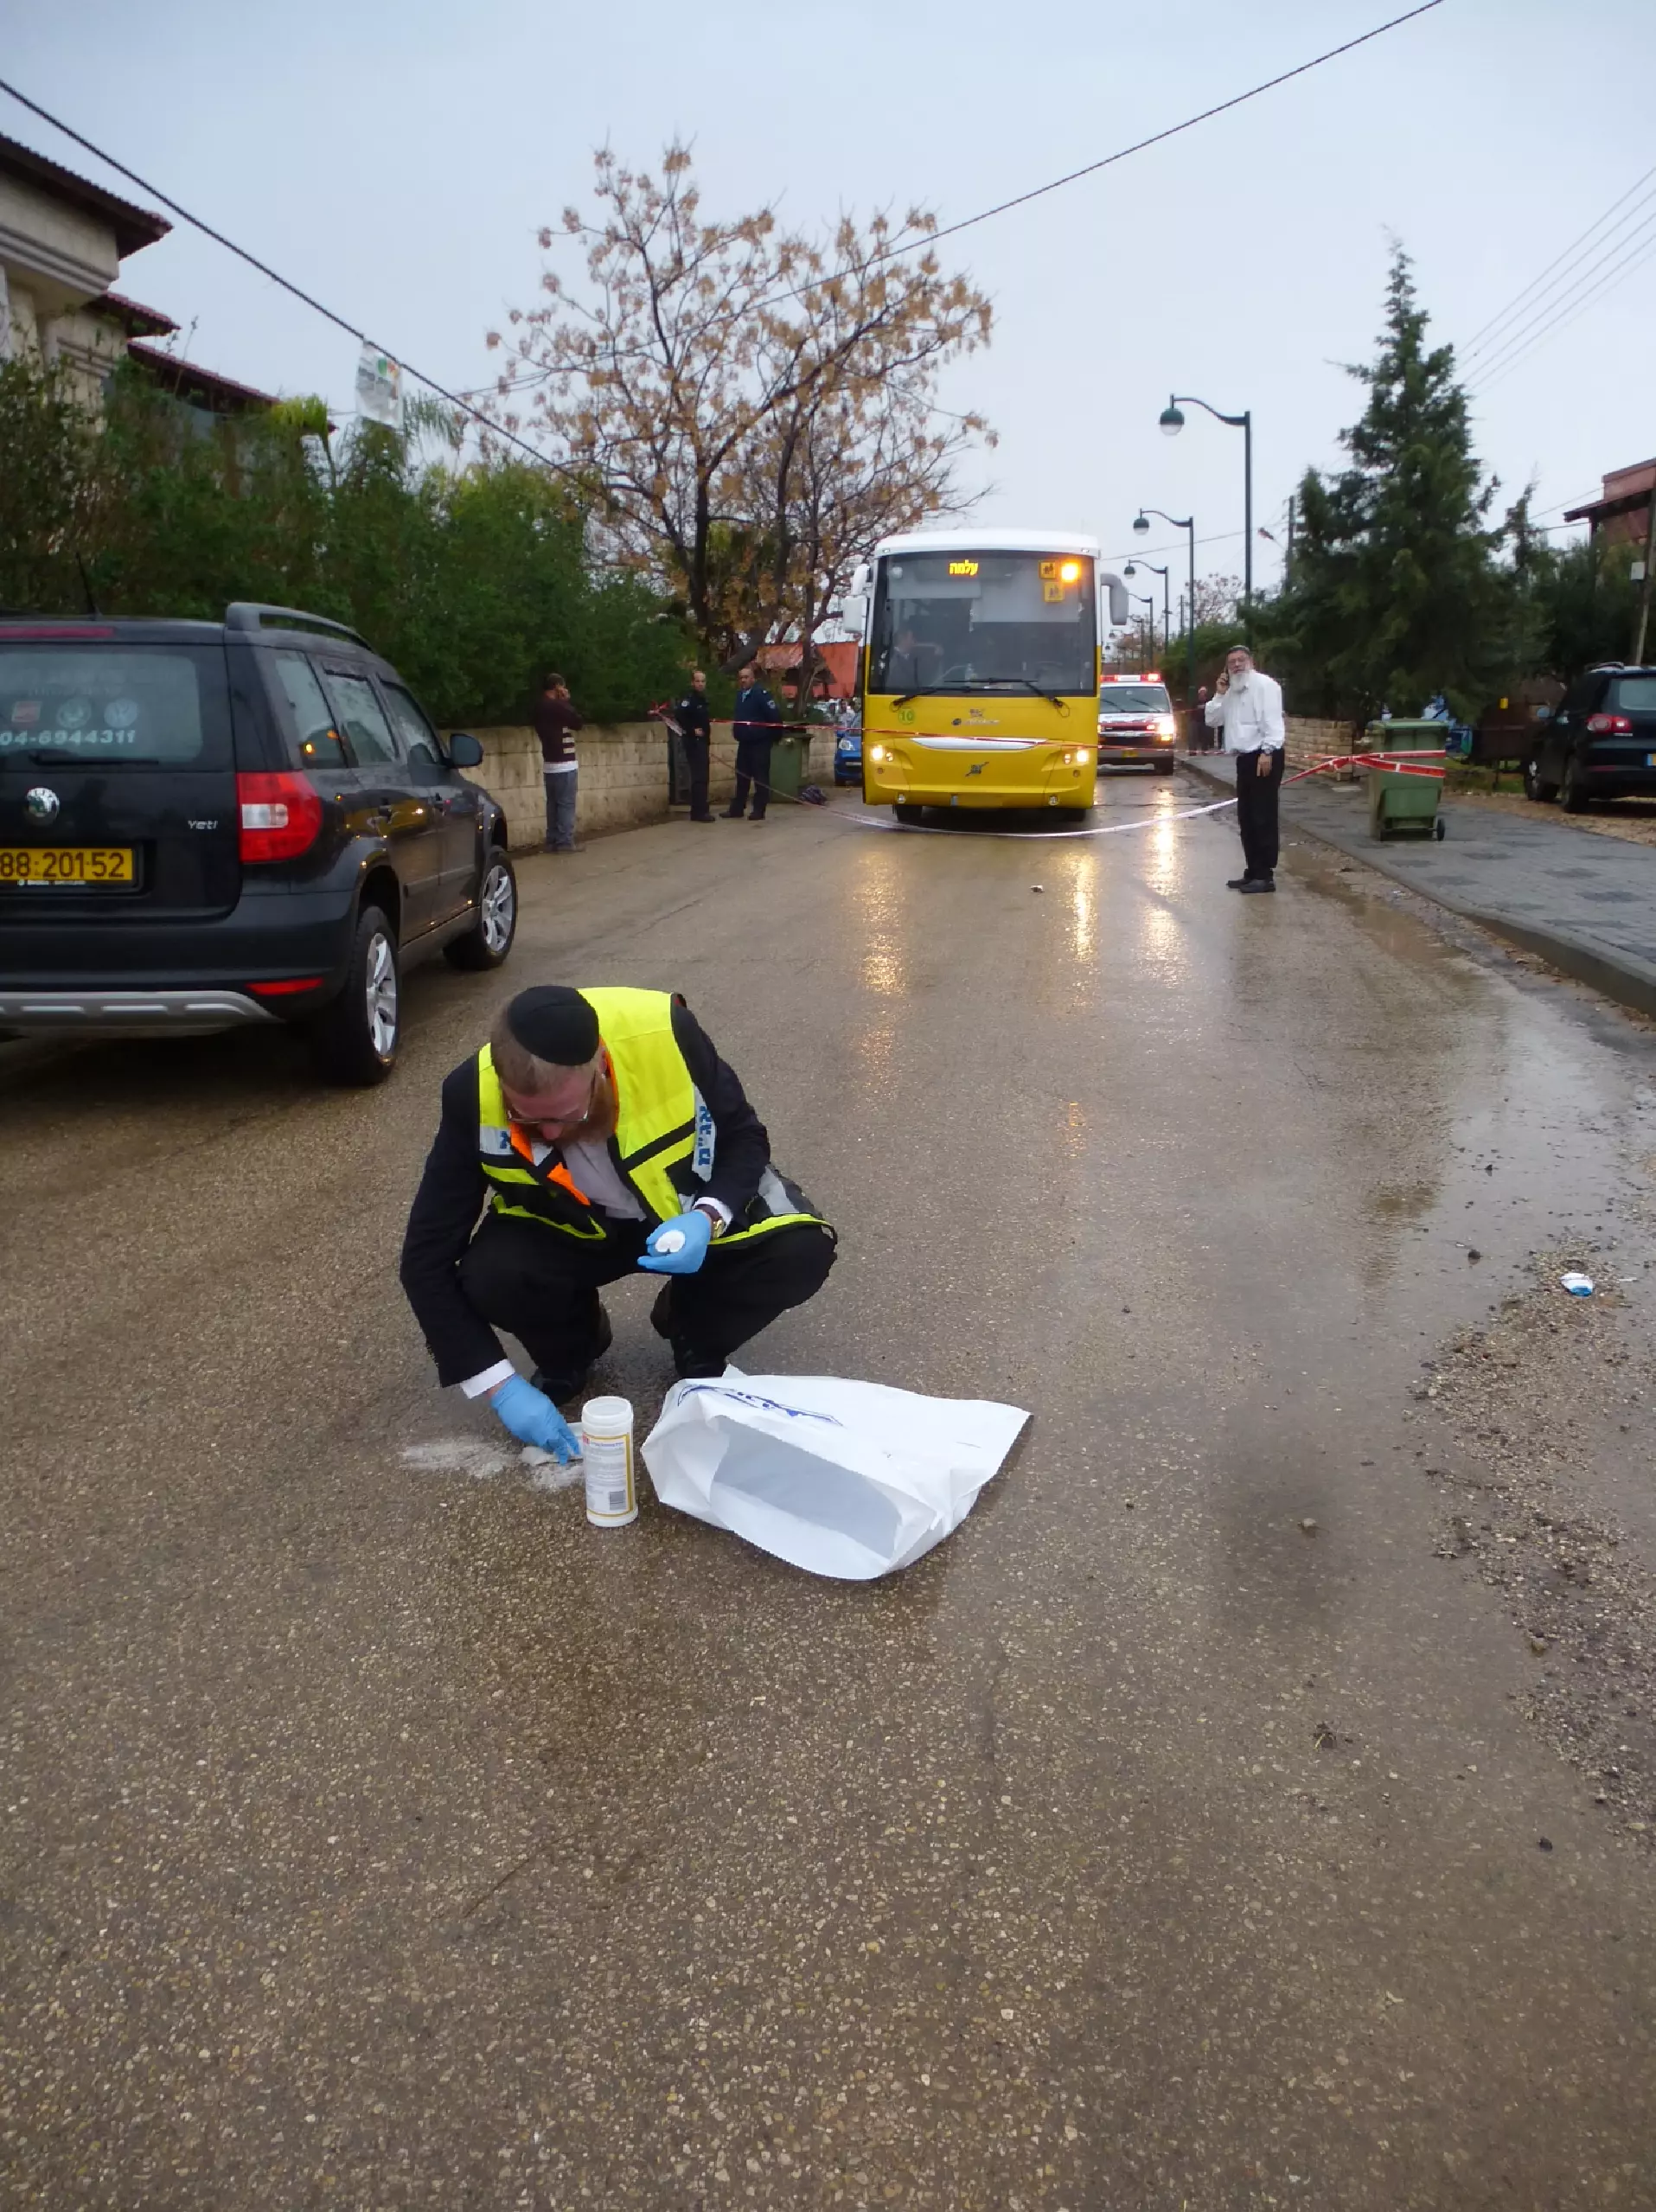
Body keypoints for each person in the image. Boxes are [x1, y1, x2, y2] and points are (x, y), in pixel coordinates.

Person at [399, 984, 837, 1462]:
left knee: (800, 1252)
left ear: (599, 1064)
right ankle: (572, 1347)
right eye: (528, 1118)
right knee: (491, 1275)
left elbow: (745, 1136)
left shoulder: (667, 1033)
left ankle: (693, 1327)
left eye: (569, 1114)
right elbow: (426, 1256)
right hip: (570, 1229)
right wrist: (496, 1385)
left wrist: (708, 1217)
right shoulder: (469, 1094)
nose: (550, 1133)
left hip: (682, 1214)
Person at [1205, 644, 1286, 893]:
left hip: (1264, 756)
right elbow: (1212, 720)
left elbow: (1273, 721)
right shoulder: (1231, 692)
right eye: (1232, 662)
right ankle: (1252, 871)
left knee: (1263, 817)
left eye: (1241, 660)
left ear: (1251, 662)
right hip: (1244, 759)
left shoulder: (1265, 686)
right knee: (1247, 818)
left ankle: (1265, 875)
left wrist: (1268, 751)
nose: (1237, 665)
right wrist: (1219, 694)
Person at [534, 672, 585, 853]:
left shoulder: (539, 707)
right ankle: (564, 842)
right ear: (557, 687)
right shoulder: (556, 706)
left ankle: (552, 840)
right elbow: (577, 722)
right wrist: (566, 701)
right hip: (565, 762)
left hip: (550, 763)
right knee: (566, 803)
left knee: (553, 804)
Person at [725, 662, 781, 822]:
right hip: (744, 743)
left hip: (759, 743)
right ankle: (737, 809)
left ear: (753, 679)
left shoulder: (761, 695)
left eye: (746, 677)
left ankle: (759, 810)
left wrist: (773, 738)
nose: (743, 680)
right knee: (741, 777)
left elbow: (774, 717)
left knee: (760, 777)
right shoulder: (739, 696)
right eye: (741, 678)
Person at [673, 668, 714, 822]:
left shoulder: (702, 699)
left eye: (703, 681)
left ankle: (701, 809)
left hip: (703, 742)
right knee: (699, 777)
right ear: (692, 682)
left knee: (703, 777)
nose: (700, 684)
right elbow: (679, 715)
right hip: (694, 743)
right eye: (697, 681)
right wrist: (692, 730)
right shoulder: (690, 699)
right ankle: (699, 812)